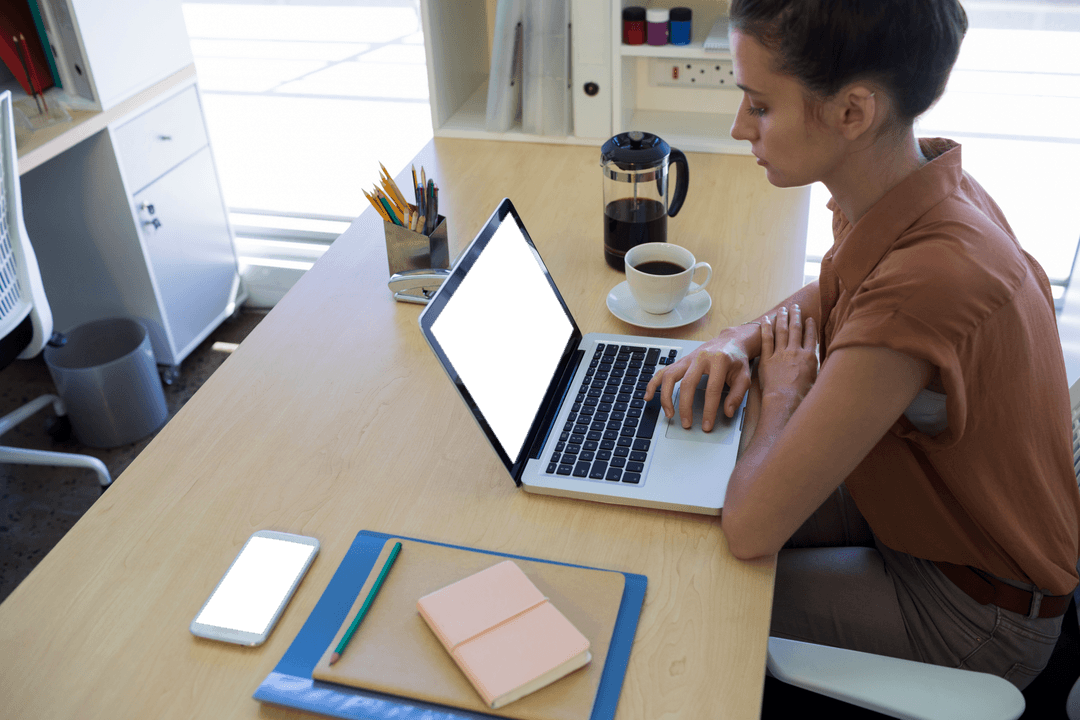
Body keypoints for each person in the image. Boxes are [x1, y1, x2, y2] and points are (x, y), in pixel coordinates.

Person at [645, 0, 1080, 689]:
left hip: (973, 611)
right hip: (924, 513)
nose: (738, 128)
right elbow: (850, 288)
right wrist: (738, 340)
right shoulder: (923, 189)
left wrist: (785, 389)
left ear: (852, 112)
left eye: (759, 106)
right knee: (686, 501)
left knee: (691, 585)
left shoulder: (930, 279)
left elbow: (752, 529)